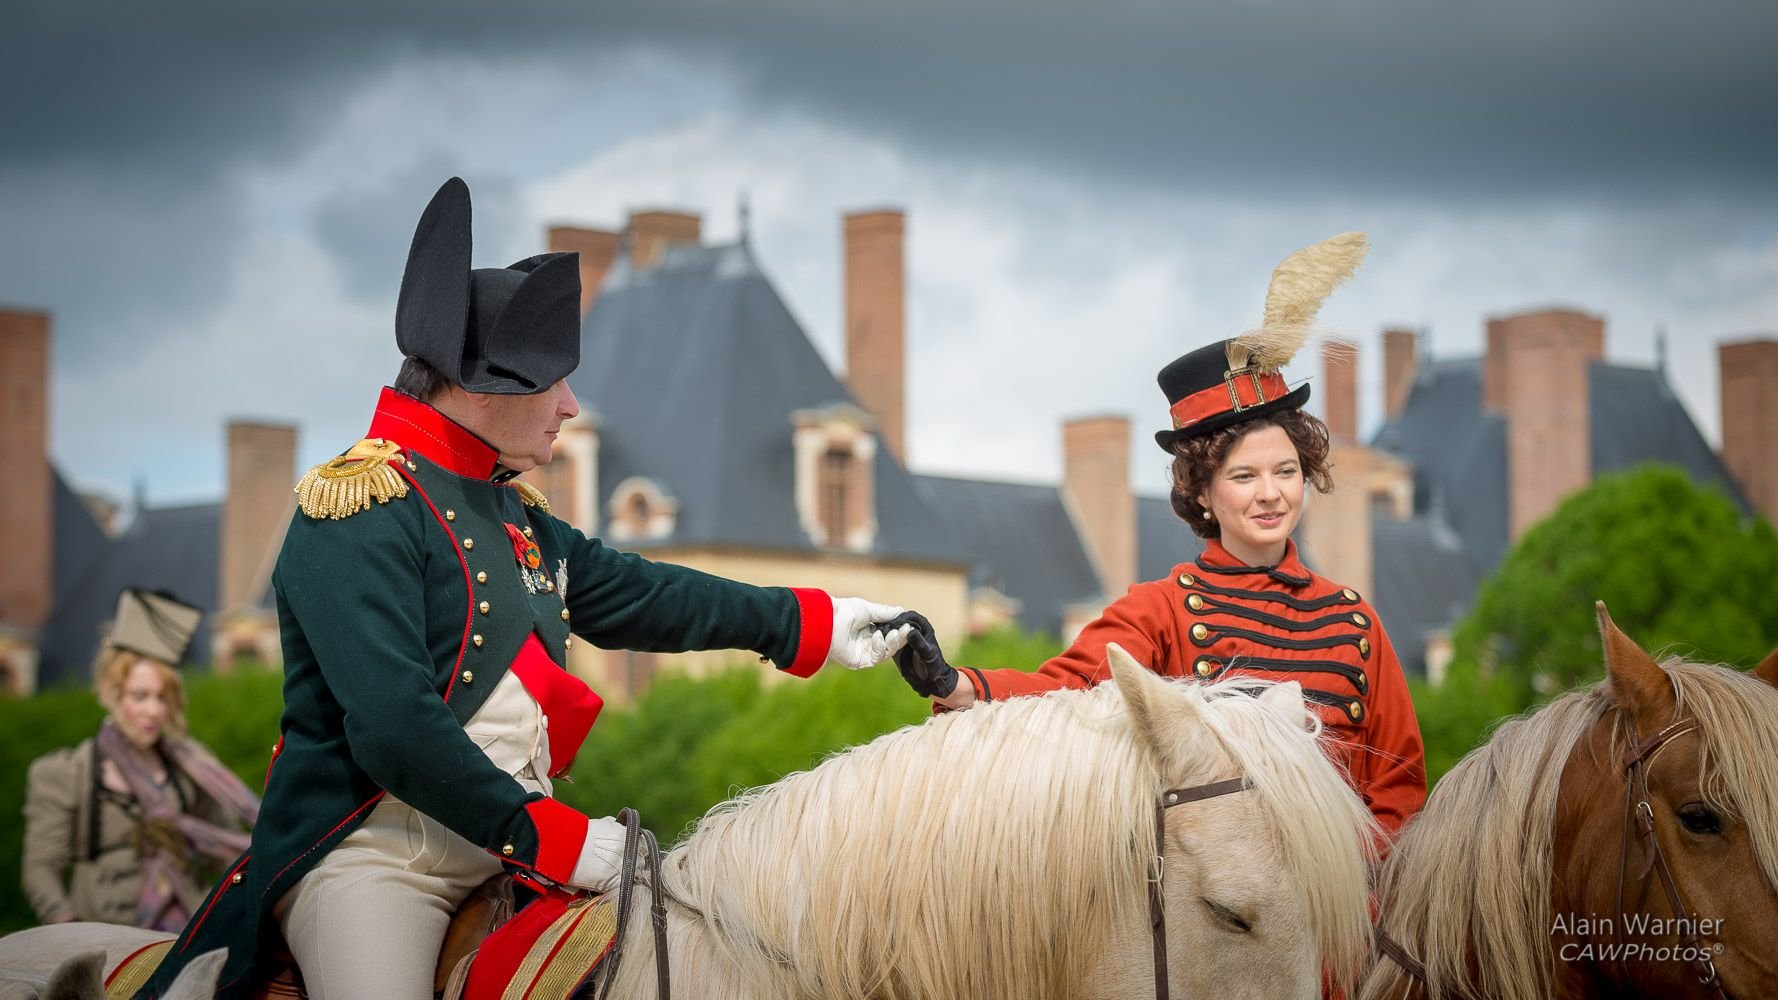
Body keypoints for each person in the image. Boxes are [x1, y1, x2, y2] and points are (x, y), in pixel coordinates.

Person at [133, 177, 914, 1000]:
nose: (571, 406)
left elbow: (647, 596)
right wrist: (553, 839)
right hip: (378, 858)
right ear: (481, 389)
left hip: (514, 852)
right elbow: (394, 728)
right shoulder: (357, 507)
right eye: (551, 383)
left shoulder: (518, 517)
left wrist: (815, 624)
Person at [896, 232, 1426, 840]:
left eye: (1287, 472)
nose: (1271, 494)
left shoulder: (1355, 621)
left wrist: (1357, 897)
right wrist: (955, 683)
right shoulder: (1161, 611)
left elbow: (1400, 792)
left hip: (1349, 920)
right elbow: (1064, 693)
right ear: (1202, 492)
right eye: (1244, 476)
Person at [21, 588, 260, 931]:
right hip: (101, 933)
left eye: (162, 698)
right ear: (111, 693)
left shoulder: (193, 767)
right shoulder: (66, 773)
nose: (152, 710)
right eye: (140, 696)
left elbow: (227, 849)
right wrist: (65, 924)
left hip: (186, 929)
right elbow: (41, 867)